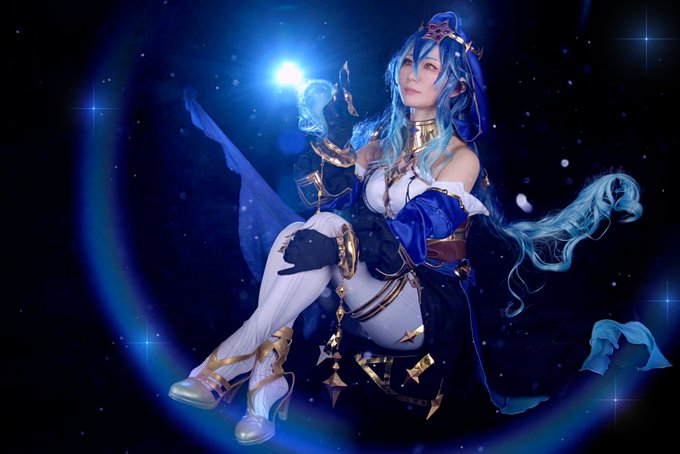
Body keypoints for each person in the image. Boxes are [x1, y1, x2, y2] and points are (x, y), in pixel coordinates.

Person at [169, 11, 670, 446]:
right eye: (409, 61)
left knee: (323, 231)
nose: (412, 73)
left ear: (455, 86)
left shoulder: (461, 159)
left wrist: (340, 242)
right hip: (359, 291)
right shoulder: (375, 141)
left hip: (424, 305)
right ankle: (260, 381)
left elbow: (412, 235)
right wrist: (337, 150)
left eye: (429, 66)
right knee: (307, 229)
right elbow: (326, 204)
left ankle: (238, 366)